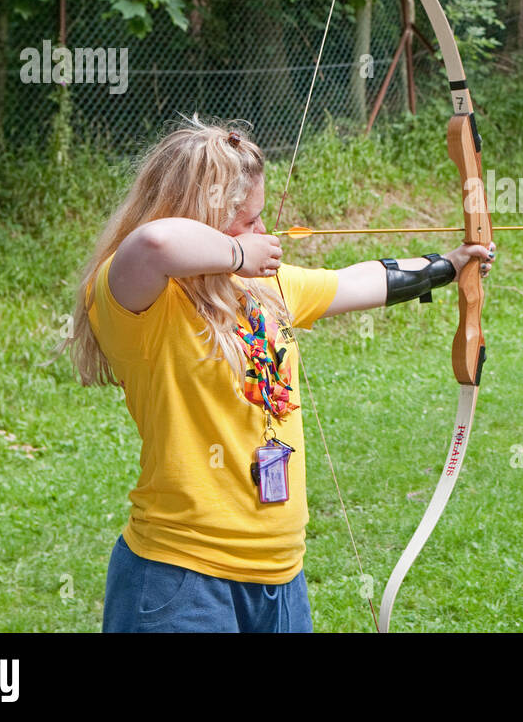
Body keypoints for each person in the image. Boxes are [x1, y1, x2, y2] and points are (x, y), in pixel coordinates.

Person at [64, 117, 494, 632]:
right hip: (179, 580)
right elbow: (154, 244)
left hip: (279, 578)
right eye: (248, 222)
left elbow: (356, 281)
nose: (262, 234)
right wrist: (240, 254)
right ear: (203, 218)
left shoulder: (264, 291)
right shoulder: (142, 302)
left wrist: (449, 265)